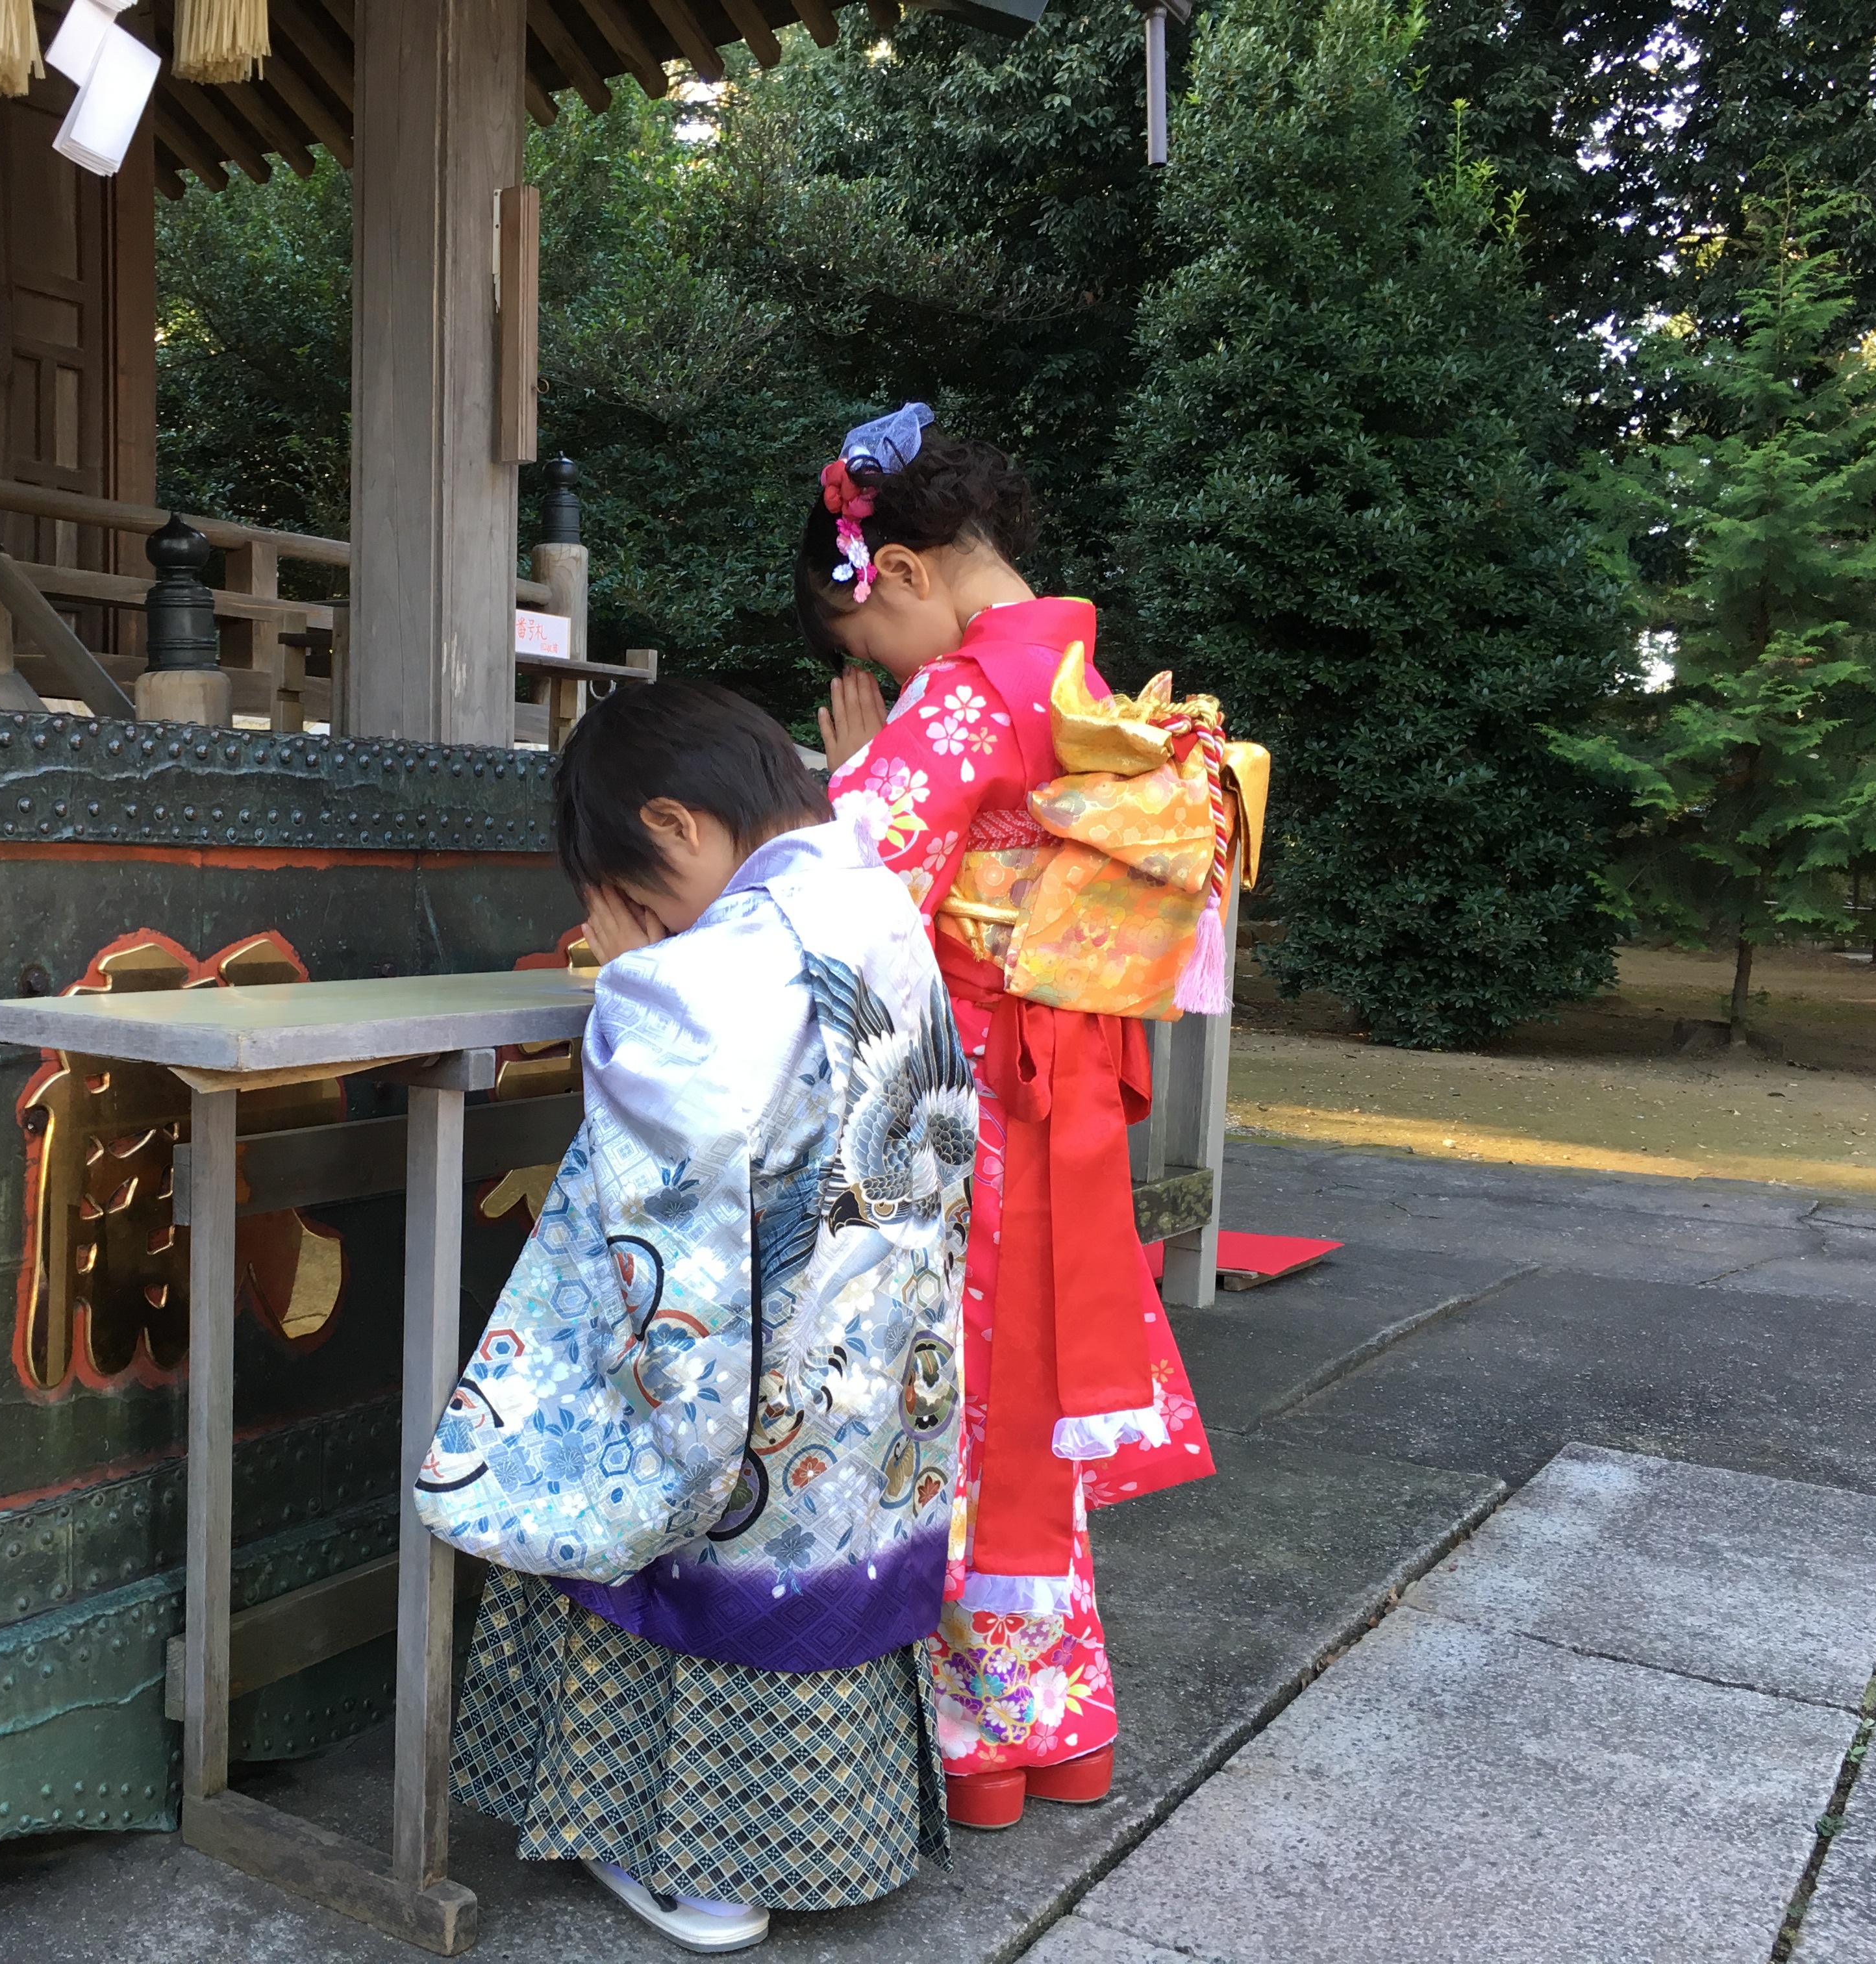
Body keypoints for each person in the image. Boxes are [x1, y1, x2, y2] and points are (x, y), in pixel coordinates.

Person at [417, 678, 978, 1955]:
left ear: (674, 824)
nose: (647, 928)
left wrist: (639, 969)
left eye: (637, 898)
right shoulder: (878, 899)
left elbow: (662, 1204)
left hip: (760, 1368)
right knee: (833, 1541)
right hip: (882, 1351)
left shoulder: (703, 972)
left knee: (664, 1510)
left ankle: (703, 1869)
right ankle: (835, 1834)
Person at [802, 405, 1216, 1830]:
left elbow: (850, 893)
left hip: (974, 1092)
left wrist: (851, 773)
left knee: (965, 1400)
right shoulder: (1083, 674)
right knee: (1031, 1406)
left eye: (869, 644)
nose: (881, 672)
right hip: (1062, 1088)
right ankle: (1063, 1727)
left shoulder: (967, 699)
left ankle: (981, 1740)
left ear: (903, 573)